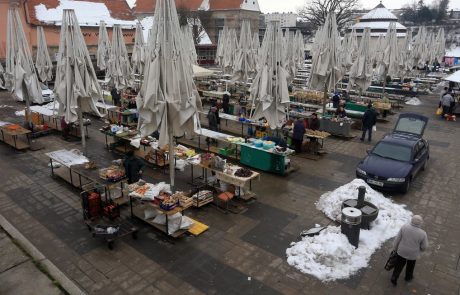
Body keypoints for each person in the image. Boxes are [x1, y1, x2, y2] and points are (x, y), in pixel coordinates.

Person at [391, 215, 428, 286]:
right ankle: (408, 277)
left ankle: (394, 276)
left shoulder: (404, 227)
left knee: (398, 265)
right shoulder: (423, 233)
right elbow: (424, 246)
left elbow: (397, 239)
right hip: (413, 254)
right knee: (411, 266)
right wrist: (421, 250)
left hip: (402, 251)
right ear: (421, 223)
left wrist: (395, 248)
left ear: (411, 220)